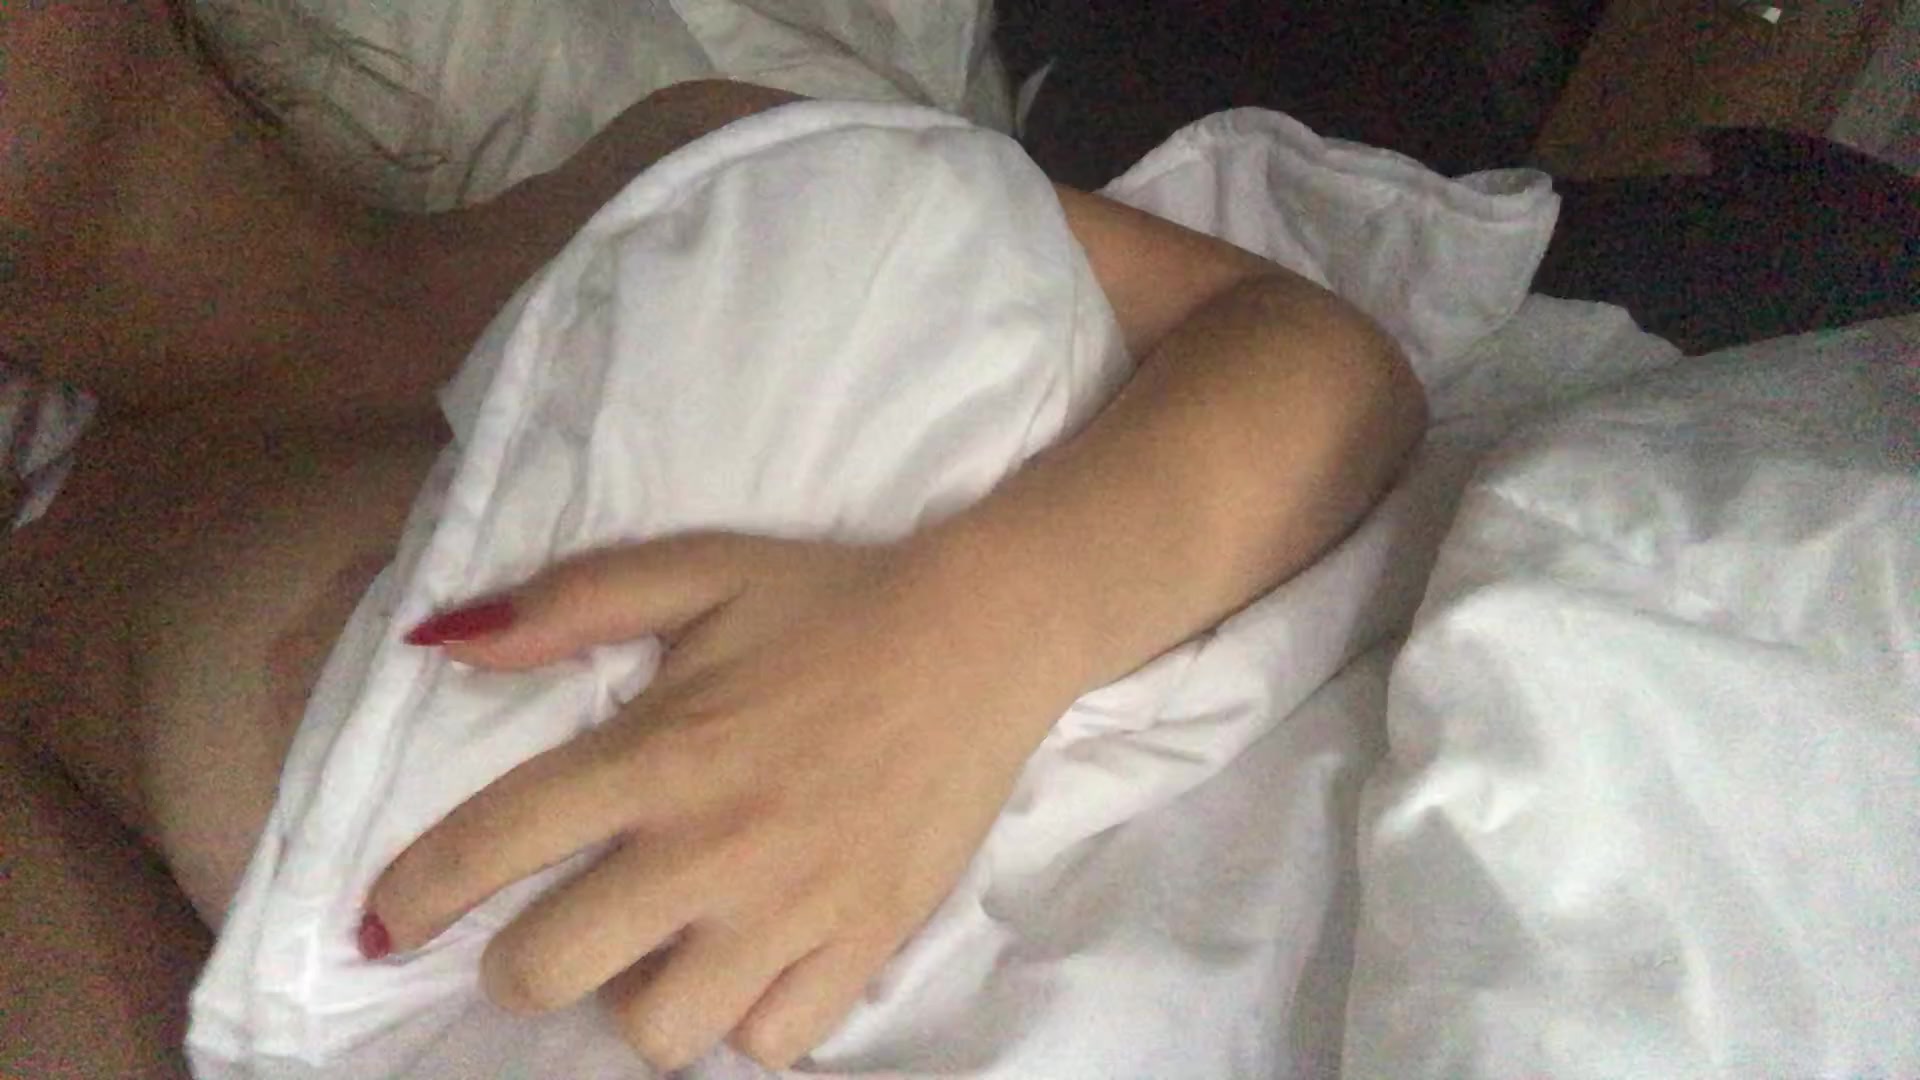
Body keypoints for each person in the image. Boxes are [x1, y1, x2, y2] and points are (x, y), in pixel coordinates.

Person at [0, 2, 1426, 1075]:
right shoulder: (42, 636)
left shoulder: (676, 150)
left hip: (1419, 812)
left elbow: (1333, 368)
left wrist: (974, 642)